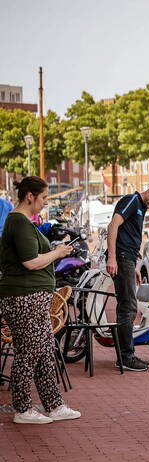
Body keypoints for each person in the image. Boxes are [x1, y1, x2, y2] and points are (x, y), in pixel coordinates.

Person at [0, 177, 80, 424]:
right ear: (29, 196)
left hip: (31, 295)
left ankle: (54, 405)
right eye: (44, 197)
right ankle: (23, 408)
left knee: (45, 350)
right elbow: (30, 262)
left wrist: (55, 251)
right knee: (29, 351)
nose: (45, 203)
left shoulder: (23, 222)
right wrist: (57, 252)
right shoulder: (19, 222)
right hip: (23, 296)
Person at [105, 182, 149, 372]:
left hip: (127, 259)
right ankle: (126, 357)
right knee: (128, 307)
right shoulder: (132, 200)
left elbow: (128, 234)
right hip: (122, 258)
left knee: (128, 306)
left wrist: (133, 266)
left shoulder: (140, 207)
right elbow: (113, 226)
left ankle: (125, 354)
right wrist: (112, 257)